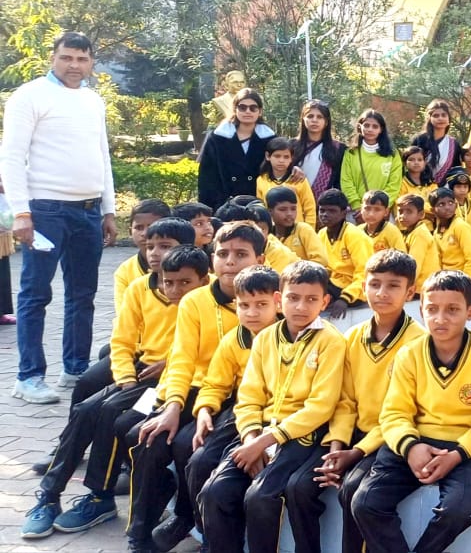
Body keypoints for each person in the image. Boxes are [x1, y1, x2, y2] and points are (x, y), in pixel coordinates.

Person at [22, 246, 207, 540]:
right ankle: (49, 494)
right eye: (152, 243)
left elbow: (201, 353)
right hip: (141, 376)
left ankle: (100, 497)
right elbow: (121, 342)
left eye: (168, 245)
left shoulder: (203, 300)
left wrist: (167, 363)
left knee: (113, 413)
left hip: (173, 383)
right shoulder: (140, 287)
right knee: (86, 409)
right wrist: (126, 378)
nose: (158, 252)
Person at [350, 270, 471, 553]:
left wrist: (457, 454)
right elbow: (394, 413)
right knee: (365, 503)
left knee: (455, 510)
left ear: (470, 312)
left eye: (452, 310)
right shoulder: (409, 354)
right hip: (416, 442)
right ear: (421, 310)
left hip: (468, 449)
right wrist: (411, 447)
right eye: (432, 309)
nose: (440, 318)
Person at [128, 223, 265, 551]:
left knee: (190, 445)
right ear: (212, 258)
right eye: (222, 254)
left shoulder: (265, 298)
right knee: (150, 436)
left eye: (241, 255)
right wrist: (172, 405)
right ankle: (140, 533)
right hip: (195, 388)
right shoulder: (196, 301)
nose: (230, 262)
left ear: (259, 259)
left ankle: (189, 517)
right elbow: (181, 359)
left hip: (241, 398)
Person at [2, 32, 118, 403]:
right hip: (44, 211)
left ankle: (76, 368)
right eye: (67, 58)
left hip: (87, 211)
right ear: (53, 57)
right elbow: (11, 157)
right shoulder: (29, 96)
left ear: (91, 63)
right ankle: (29, 376)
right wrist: (21, 212)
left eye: (82, 59)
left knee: (83, 294)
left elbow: (102, 156)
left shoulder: (91, 99)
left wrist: (109, 208)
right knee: (35, 293)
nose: (74, 66)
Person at [199, 260, 345, 553]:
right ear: (280, 299)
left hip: (301, 436)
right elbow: (250, 396)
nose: (301, 307)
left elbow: (320, 407)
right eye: (293, 297)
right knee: (214, 492)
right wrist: (251, 439)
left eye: (312, 299)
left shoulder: (331, 341)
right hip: (260, 432)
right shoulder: (266, 338)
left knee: (261, 498)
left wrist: (265, 441)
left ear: (325, 301)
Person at [284, 251, 426, 553]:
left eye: (393, 286)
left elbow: (403, 413)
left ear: (410, 292)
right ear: (363, 286)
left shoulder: (417, 343)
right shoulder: (353, 336)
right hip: (350, 435)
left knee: (352, 491)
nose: (382, 293)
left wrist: (356, 452)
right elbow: (345, 400)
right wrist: (337, 447)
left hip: (391, 438)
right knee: (299, 486)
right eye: (375, 284)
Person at [177, 265, 282, 551]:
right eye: (244, 305)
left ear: (278, 302)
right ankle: (208, 535)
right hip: (243, 411)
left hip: (278, 417)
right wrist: (204, 411)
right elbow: (214, 384)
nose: (252, 313)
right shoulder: (233, 340)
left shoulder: (289, 337)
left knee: (242, 481)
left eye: (261, 305)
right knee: (198, 462)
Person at [197, 87, 276, 210]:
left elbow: (280, 168)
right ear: (235, 109)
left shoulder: (269, 139)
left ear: (259, 111)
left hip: (259, 206)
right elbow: (206, 178)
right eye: (242, 107)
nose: (247, 111)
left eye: (253, 108)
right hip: (224, 206)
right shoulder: (217, 138)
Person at [317, 189, 373, 317]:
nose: (325, 215)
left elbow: (365, 272)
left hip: (355, 291)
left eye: (331, 211)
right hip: (333, 284)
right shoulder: (321, 234)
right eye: (322, 210)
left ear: (344, 213)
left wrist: (345, 298)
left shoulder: (354, 235)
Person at [341, 109, 403, 210]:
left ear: (381, 129)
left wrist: (381, 207)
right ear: (359, 127)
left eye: (375, 126)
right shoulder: (351, 153)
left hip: (383, 210)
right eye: (366, 125)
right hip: (356, 212)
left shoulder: (392, 154)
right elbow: (346, 181)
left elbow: (394, 184)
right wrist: (357, 206)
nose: (370, 129)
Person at [256, 137, 317, 227]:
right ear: (268, 156)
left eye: (286, 157)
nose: (281, 160)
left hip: (297, 231)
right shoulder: (262, 180)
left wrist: (309, 230)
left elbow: (310, 208)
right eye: (277, 156)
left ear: (291, 158)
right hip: (272, 231)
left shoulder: (298, 180)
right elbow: (261, 208)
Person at [294, 99, 347, 196]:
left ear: (326, 122)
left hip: (326, 206)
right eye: (310, 116)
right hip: (296, 202)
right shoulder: (291, 146)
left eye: (319, 117)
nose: (314, 120)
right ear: (303, 119)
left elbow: (340, 181)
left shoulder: (338, 149)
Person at [429, 188, 471, 280]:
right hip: (445, 278)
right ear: (433, 210)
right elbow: (438, 259)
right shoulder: (438, 230)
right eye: (441, 204)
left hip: (460, 278)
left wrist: (464, 281)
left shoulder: (460, 226)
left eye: (450, 203)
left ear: (456, 205)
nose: (447, 207)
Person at [268, 186, 327, 266]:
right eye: (283, 209)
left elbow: (321, 261)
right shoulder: (268, 235)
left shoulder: (303, 230)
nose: (289, 214)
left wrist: (297, 271)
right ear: (270, 211)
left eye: (293, 209)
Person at [410, 99, 461, 186]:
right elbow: (410, 165)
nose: (440, 118)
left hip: (445, 192)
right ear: (429, 119)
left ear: (449, 118)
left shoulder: (453, 144)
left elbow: (456, 170)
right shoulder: (419, 140)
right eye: (436, 116)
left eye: (443, 115)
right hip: (420, 187)